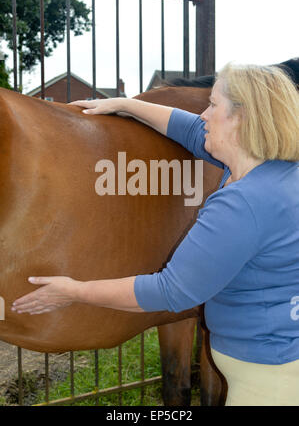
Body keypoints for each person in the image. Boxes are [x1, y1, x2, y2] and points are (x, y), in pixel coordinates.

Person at [12, 63, 299, 406]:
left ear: (242, 118)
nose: (203, 115)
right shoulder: (277, 172)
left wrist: (74, 290)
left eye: (213, 105)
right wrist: (126, 104)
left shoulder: (242, 203)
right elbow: (189, 128)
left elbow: (172, 290)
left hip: (265, 377)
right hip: (278, 355)